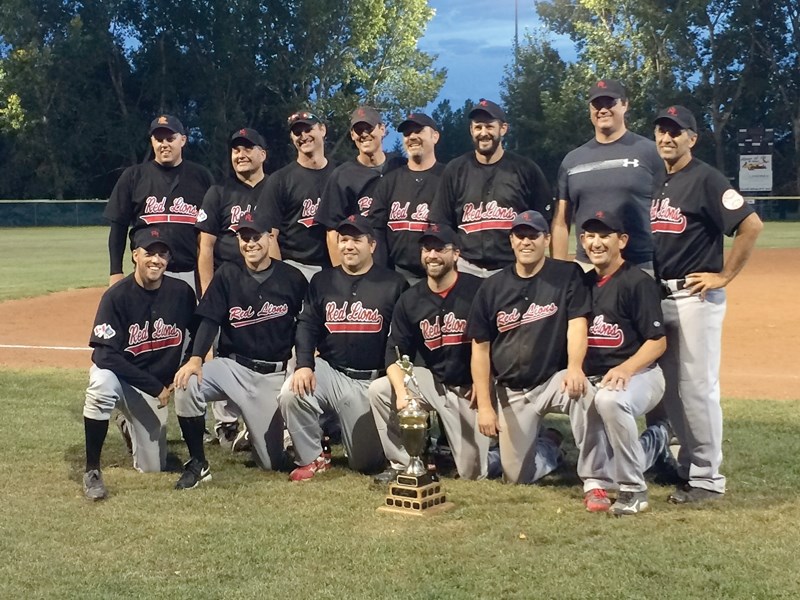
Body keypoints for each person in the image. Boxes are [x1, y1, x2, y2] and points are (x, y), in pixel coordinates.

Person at [651, 105, 763, 504]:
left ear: (692, 139)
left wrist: (724, 276)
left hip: (696, 296)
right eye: (661, 131)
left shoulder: (706, 178)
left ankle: (707, 479)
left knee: (697, 389)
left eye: (675, 132)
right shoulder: (658, 181)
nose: (667, 138)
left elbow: (751, 225)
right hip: (661, 296)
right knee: (670, 391)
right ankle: (688, 468)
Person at [467, 210, 611, 511]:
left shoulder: (566, 275)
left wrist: (574, 368)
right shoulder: (492, 287)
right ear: (511, 241)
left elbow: (577, 324)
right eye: (520, 235)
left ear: (547, 239)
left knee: (584, 392)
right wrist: (485, 405)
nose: (526, 241)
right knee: (516, 476)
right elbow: (480, 348)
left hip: (552, 379)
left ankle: (595, 482)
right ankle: (549, 446)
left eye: (534, 235)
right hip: (511, 390)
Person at [172, 211, 308, 488]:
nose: (250, 243)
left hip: (272, 376)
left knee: (271, 464)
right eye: (244, 238)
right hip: (232, 368)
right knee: (187, 384)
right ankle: (198, 462)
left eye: (256, 236)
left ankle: (255, 432)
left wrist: (305, 363)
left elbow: (306, 326)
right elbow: (209, 318)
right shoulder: (228, 274)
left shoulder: (292, 279)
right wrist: (196, 358)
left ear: (270, 238)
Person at [279, 215, 408, 481]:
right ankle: (311, 457)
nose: (348, 246)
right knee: (292, 392)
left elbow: (400, 341)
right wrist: (304, 364)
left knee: (365, 463)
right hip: (332, 372)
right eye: (343, 239)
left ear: (372, 245)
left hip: (371, 382)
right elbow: (306, 325)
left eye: (356, 240)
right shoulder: (322, 281)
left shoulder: (394, 284)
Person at [81, 226, 196, 500]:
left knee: (153, 468)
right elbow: (103, 355)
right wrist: (155, 386)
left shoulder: (181, 293)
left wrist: (188, 363)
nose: (156, 260)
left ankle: (129, 425)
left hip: (152, 389)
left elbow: (198, 331)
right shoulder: (116, 296)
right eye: (149, 253)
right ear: (135, 255)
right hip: (122, 380)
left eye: (162, 254)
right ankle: (92, 470)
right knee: (100, 387)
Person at [368, 224, 488, 481]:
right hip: (435, 383)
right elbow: (395, 353)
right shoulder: (411, 300)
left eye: (439, 249)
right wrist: (401, 394)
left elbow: (498, 342)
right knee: (380, 390)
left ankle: (543, 446)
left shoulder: (478, 290)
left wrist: (486, 381)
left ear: (456, 254)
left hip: (472, 390)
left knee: (474, 472)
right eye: (427, 249)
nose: (432, 255)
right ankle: (404, 463)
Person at [580, 210, 672, 515]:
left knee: (609, 401)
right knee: (589, 395)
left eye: (605, 235)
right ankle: (599, 476)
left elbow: (658, 342)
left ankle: (634, 489)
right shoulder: (583, 283)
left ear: (622, 240)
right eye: (591, 236)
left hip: (641, 374)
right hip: (601, 377)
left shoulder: (637, 282)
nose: (596, 242)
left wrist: (626, 368)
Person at [195, 127, 269, 448]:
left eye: (247, 148)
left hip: (265, 284)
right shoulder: (218, 192)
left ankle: (267, 413)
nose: (240, 154)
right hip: (227, 284)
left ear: (262, 154)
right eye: (235, 149)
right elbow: (206, 247)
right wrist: (210, 292)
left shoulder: (275, 189)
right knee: (223, 351)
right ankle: (226, 422)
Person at [429, 99, 552, 278]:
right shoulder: (455, 170)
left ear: (503, 129)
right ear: (471, 131)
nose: (483, 133)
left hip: (512, 266)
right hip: (466, 267)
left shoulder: (525, 169)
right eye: (478, 127)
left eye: (489, 126)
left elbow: (544, 218)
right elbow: (442, 221)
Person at [552, 79, 662, 272]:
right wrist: (559, 271)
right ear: (590, 110)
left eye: (610, 103)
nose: (603, 110)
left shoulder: (650, 152)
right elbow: (561, 222)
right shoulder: (572, 160)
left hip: (639, 266)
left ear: (625, 105)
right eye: (597, 104)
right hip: (586, 267)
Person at [104, 114, 213, 290]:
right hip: (147, 274)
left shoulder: (201, 176)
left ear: (183, 140)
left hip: (191, 273)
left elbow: (213, 230)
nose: (164, 144)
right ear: (152, 141)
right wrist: (115, 271)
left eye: (171, 138)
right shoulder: (133, 176)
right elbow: (118, 226)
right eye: (158, 139)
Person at [314, 106, 406, 266]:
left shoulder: (401, 166)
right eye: (358, 130)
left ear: (382, 129)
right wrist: (341, 276)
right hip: (365, 270)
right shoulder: (342, 175)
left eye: (369, 128)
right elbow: (332, 232)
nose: (363, 134)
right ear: (352, 135)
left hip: (402, 267)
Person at [367, 113, 445, 284]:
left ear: (435, 136)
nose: (412, 137)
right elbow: (376, 229)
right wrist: (382, 272)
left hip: (438, 275)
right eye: (407, 134)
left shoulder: (448, 178)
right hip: (397, 274)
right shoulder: (389, 181)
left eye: (418, 131)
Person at [258, 110, 334, 281]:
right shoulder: (280, 179)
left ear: (322, 130)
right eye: (297, 132)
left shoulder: (340, 175)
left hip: (335, 266)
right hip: (296, 266)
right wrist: (280, 278)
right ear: (292, 138)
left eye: (308, 130)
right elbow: (270, 235)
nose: (303, 136)